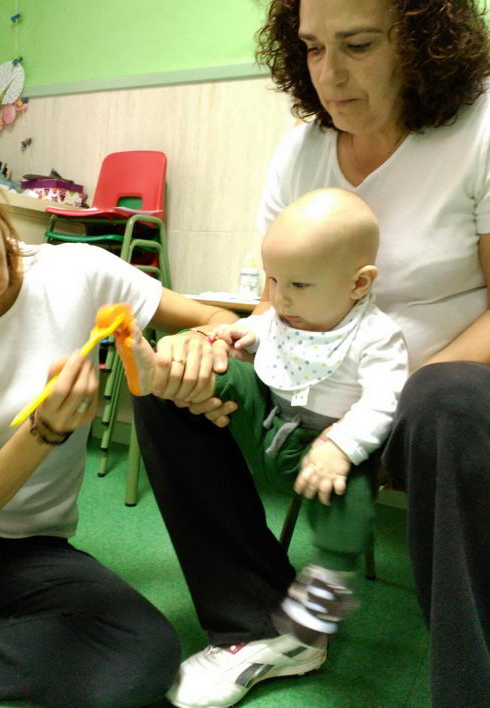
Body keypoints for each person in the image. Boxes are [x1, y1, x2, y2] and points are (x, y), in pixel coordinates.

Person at [132, 0, 490, 706]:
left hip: (431, 403)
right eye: (314, 47)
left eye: (358, 45)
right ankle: (265, 627)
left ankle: (470, 681)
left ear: (422, 37)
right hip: (307, 401)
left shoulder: (479, 134)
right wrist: (214, 343)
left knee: (448, 403)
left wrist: (392, 398)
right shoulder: (301, 152)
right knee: (169, 383)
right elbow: (276, 308)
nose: (330, 74)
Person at [0, 119, 238, 708]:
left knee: (139, 652)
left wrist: (197, 346)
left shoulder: (79, 273)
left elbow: (218, 321)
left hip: (20, 543)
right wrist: (46, 430)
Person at [121, 188, 408, 651]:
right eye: (274, 281)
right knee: (225, 374)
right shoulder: (283, 310)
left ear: (358, 284)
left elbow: (385, 400)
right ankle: (159, 372)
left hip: (325, 443)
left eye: (297, 285)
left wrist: (342, 446)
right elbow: (257, 327)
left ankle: (328, 585)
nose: (281, 298)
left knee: (350, 497)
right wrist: (230, 336)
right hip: (269, 416)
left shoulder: (378, 337)